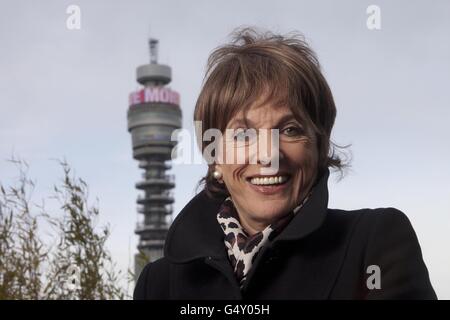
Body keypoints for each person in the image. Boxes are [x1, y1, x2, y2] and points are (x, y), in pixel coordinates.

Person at [134, 27, 436, 299]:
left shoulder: (372, 246)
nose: (268, 155)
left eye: (290, 130)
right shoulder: (160, 284)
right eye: (243, 134)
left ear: (318, 147)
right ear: (214, 157)